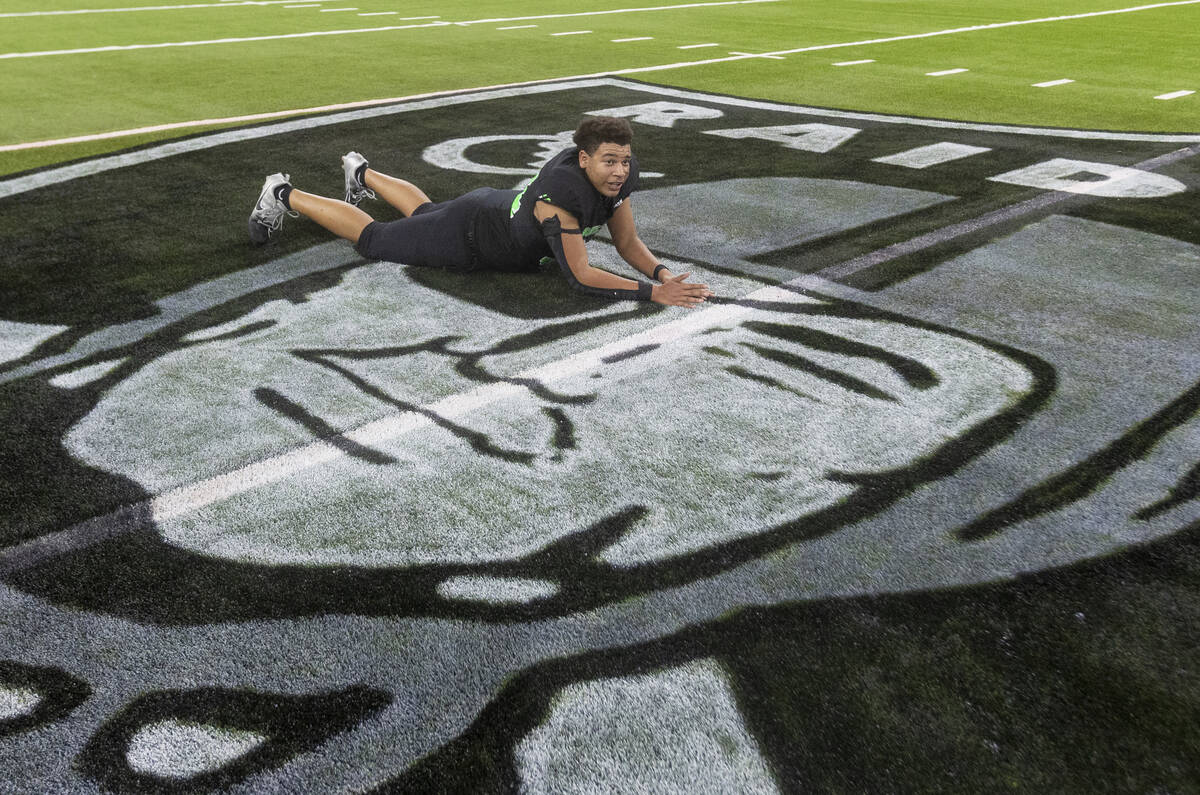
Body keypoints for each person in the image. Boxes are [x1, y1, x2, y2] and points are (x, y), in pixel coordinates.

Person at [248, 116, 713, 307]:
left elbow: (628, 242)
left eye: (625, 161)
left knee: (425, 209)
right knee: (375, 239)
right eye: (609, 161)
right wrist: (653, 294)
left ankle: (361, 173)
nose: (619, 171)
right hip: (470, 234)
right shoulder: (559, 199)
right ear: (585, 159)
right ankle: (284, 193)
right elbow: (582, 275)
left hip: (490, 209)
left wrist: (662, 272)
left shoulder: (614, 177)